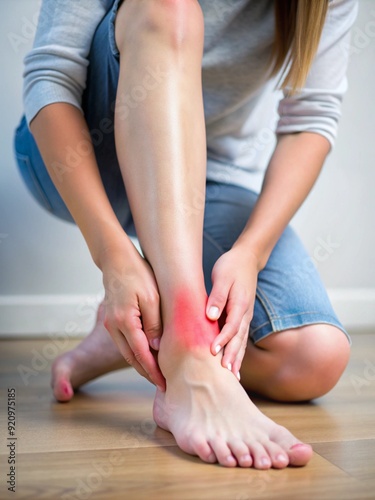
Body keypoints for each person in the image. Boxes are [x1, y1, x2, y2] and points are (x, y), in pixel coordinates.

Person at [14, 0, 357, 469]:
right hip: (81, 153)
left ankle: (139, 336)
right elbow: (50, 78)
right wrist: (112, 256)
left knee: (315, 357)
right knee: (169, 8)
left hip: (212, 179)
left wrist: (251, 253)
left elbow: (310, 118)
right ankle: (187, 351)